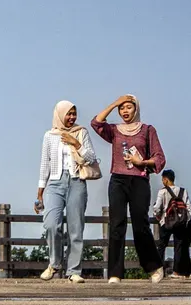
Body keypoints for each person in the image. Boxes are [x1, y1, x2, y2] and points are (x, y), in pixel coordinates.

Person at [91, 95, 165, 284]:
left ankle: (154, 267)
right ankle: (115, 272)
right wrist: (114, 102)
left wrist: (142, 162)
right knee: (117, 225)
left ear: (136, 109)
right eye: (121, 108)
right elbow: (96, 123)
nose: (125, 111)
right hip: (118, 180)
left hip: (139, 180)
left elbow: (159, 158)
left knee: (141, 224)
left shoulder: (148, 130)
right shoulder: (114, 130)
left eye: (128, 107)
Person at [34, 101, 98, 283]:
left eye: (74, 114)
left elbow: (91, 157)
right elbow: (44, 164)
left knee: (76, 228)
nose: (71, 118)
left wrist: (76, 143)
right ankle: (54, 264)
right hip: (55, 183)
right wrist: (40, 191)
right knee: (51, 224)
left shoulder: (81, 132)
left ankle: (74, 271)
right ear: (60, 114)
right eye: (68, 114)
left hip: (77, 181)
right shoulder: (49, 135)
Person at [151, 169, 191, 278]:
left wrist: (158, 215)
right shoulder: (183, 191)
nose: (162, 182)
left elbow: (157, 208)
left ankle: (159, 271)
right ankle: (177, 272)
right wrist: (185, 220)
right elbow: (189, 208)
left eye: (162, 179)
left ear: (166, 180)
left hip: (166, 223)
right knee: (179, 246)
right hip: (180, 223)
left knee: (161, 246)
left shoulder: (162, 191)